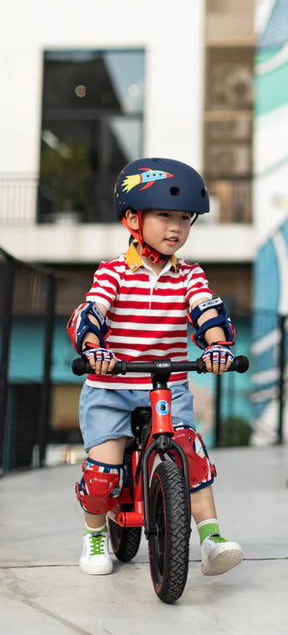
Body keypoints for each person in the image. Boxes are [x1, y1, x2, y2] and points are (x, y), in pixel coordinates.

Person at [67, 157, 244, 579]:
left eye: (185, 219)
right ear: (132, 218)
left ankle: (212, 537)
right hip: (110, 385)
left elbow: (206, 311)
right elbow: (92, 311)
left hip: (168, 386)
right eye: (165, 216)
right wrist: (94, 347)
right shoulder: (114, 271)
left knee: (190, 455)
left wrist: (217, 346)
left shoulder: (189, 276)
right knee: (102, 473)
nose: (176, 228)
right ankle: (94, 535)